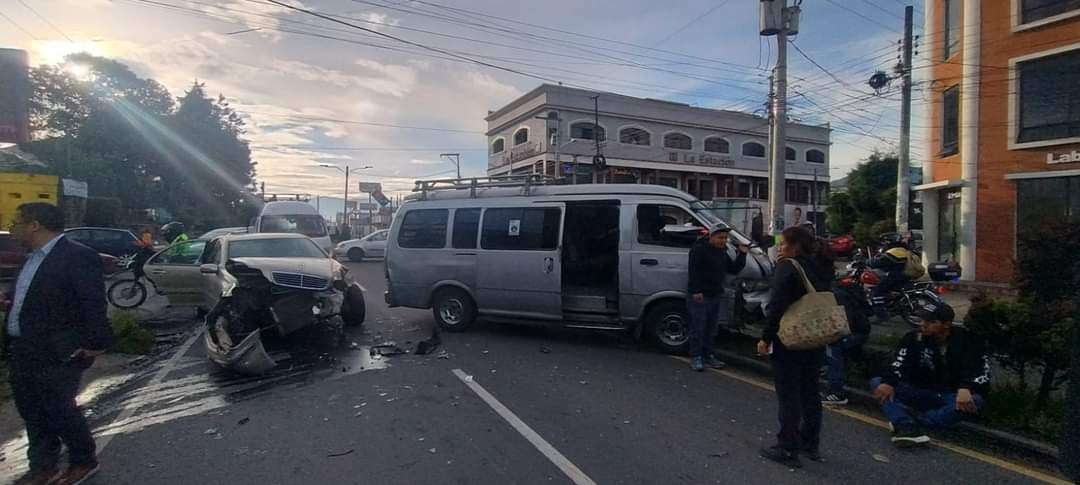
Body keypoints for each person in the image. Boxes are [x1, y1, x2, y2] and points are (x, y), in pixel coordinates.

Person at [1, 203, 112, 485]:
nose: (12, 229)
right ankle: (43, 466)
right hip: (23, 348)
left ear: (34, 225)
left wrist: (95, 343)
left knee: (60, 409)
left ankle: (83, 460)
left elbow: (92, 302)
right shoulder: (30, 259)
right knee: (32, 410)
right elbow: (34, 297)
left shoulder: (77, 256)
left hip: (59, 350)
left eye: (16, 223)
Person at [757, 226, 834, 468]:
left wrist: (766, 337)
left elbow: (777, 306)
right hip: (815, 336)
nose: (779, 248)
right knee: (810, 391)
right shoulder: (821, 264)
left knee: (789, 395)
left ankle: (787, 447)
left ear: (795, 246)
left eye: (783, 243)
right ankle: (810, 442)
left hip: (790, 338)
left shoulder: (788, 267)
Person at [870, 302, 990, 447]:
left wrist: (966, 387)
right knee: (878, 382)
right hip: (919, 390)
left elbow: (981, 372)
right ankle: (906, 424)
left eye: (931, 322)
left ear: (946, 325)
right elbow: (898, 363)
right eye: (923, 320)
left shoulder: (968, 340)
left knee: (975, 400)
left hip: (950, 394)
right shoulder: (913, 338)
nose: (924, 324)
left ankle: (914, 424)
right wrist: (889, 382)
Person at [686, 226, 748, 372]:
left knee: (711, 328)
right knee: (698, 327)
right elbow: (693, 271)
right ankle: (696, 356)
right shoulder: (699, 249)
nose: (723, 241)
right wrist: (696, 290)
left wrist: (742, 254)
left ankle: (708, 355)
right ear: (711, 236)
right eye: (720, 237)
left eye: (725, 238)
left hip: (715, 294)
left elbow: (733, 269)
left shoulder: (722, 252)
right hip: (700, 295)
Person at [821, 276, 872, 405]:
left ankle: (837, 392)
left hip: (853, 332)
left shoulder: (835, 296)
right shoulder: (841, 290)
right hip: (859, 329)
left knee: (834, 351)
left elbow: (845, 320)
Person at [868, 236, 913, 320]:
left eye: (886, 242)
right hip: (904, 275)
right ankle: (891, 304)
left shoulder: (893, 252)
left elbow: (878, 262)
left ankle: (881, 314)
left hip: (893, 276)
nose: (884, 244)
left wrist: (868, 262)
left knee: (876, 292)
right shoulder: (904, 250)